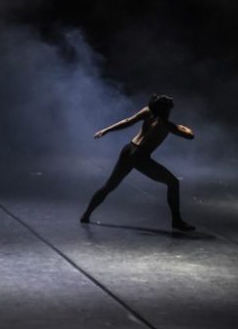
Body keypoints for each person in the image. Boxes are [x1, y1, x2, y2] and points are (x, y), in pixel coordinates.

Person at [81, 94, 195, 231]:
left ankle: (86, 215)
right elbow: (190, 136)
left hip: (128, 150)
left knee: (109, 185)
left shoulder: (148, 111)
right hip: (140, 156)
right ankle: (177, 221)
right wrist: (182, 126)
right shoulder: (167, 125)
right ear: (166, 110)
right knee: (173, 183)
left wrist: (107, 130)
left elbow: (128, 121)